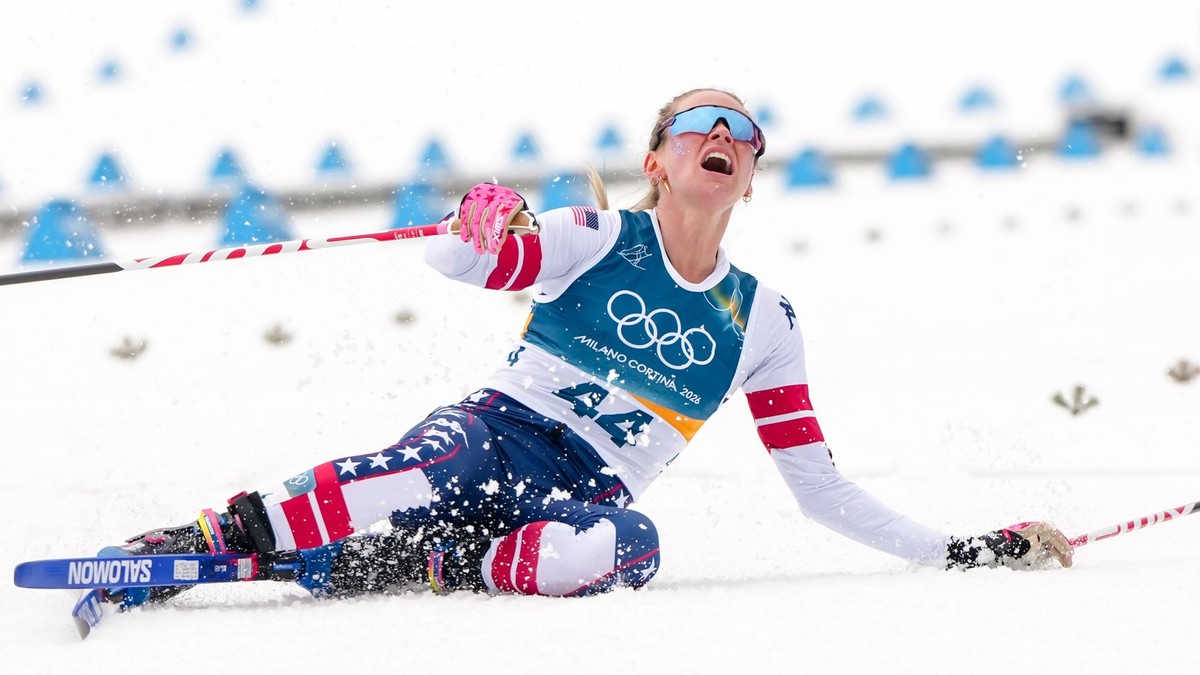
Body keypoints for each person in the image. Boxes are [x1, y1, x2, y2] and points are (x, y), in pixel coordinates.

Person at [97, 88, 1073, 610]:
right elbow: (460, 266)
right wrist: (473, 223)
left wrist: (962, 549)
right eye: (702, 123)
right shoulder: (600, 237)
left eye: (744, 131)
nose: (724, 135)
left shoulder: (763, 322)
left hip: (586, 493)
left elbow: (819, 490)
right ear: (660, 161)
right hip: (495, 436)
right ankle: (218, 538)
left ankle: (433, 566)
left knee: (630, 552)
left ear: (748, 176)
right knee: (426, 468)